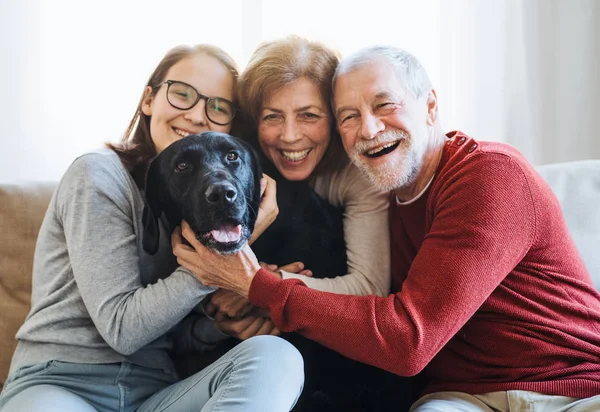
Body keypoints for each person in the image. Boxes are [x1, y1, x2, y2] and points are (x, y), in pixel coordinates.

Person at [172, 44, 600, 411]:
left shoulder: (489, 175)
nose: (370, 129)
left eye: (385, 105)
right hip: (461, 397)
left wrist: (258, 286)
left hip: (571, 385)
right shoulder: (375, 190)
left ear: (431, 106)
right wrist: (248, 309)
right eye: (349, 116)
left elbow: (408, 340)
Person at [0, 44, 304, 412]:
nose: (196, 115)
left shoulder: (200, 202)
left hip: (154, 394)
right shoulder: (98, 174)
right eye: (182, 94)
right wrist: (232, 251)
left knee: (276, 356)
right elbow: (123, 330)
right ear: (148, 100)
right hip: (61, 382)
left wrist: (219, 327)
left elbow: (173, 335)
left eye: (217, 106)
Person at [201, 36, 418, 411]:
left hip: (340, 357)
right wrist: (220, 318)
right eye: (272, 116)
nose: (289, 136)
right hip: (252, 352)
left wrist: (260, 287)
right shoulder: (235, 162)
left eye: (309, 115)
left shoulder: (360, 168)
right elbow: (206, 275)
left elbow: (369, 286)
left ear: (334, 117)